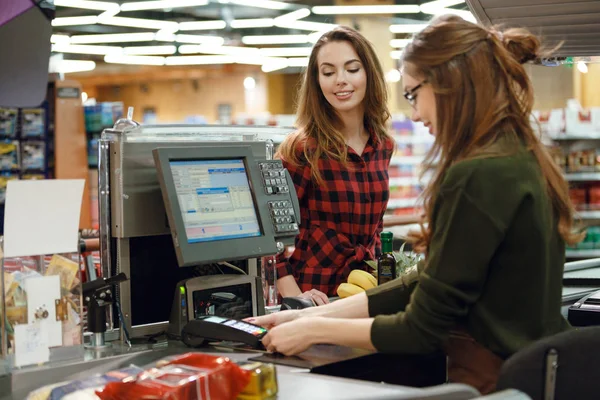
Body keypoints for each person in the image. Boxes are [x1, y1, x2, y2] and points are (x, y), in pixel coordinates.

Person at [249, 15, 582, 394]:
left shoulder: (477, 174)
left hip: (498, 378)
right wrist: (311, 313)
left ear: (448, 85)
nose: (416, 113)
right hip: (532, 369)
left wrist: (313, 328)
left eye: (413, 94)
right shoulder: (517, 154)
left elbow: (423, 327)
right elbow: (426, 285)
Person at [274, 26, 395, 304]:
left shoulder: (382, 145)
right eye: (328, 73)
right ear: (317, 82)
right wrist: (296, 298)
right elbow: (271, 237)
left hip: (362, 293)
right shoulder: (302, 149)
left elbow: (374, 227)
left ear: (369, 74)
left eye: (352, 69)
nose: (340, 80)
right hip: (313, 296)